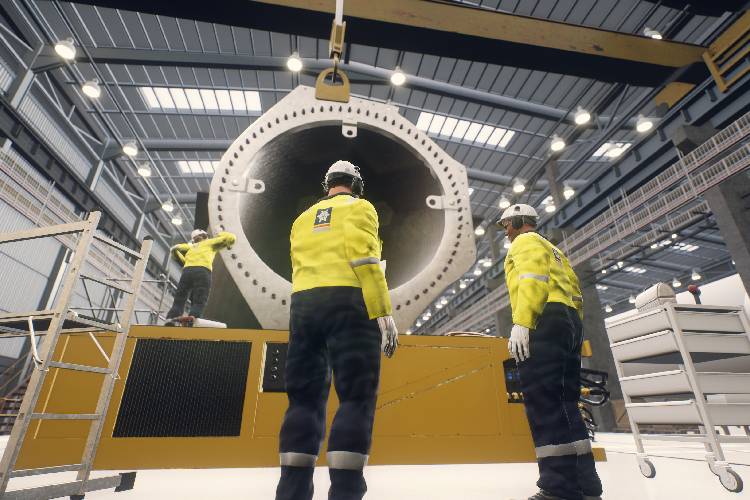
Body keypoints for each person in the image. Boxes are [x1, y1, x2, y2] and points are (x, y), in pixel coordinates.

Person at [275, 160, 398, 500]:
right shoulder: (360, 208)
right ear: (357, 185)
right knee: (355, 399)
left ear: (326, 184)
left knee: (302, 400)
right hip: (349, 304)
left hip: (303, 308)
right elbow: (366, 259)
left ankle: (291, 493)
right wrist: (383, 311)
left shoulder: (301, 220)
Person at [497, 204, 602, 500]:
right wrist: (573, 328)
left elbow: (532, 279)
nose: (506, 231)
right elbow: (576, 293)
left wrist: (523, 322)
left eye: (507, 224)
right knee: (567, 405)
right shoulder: (554, 250)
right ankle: (586, 486)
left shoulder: (524, 242)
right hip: (568, 322)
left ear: (519, 222)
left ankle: (558, 488)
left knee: (544, 404)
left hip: (543, 318)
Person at [165, 228, 236, 324]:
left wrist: (186, 262)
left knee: (179, 299)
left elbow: (174, 250)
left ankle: (171, 319)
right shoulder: (209, 243)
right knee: (199, 299)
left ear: (194, 239)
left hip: (187, 271)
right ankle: (192, 320)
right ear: (204, 236)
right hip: (202, 271)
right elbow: (231, 238)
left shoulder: (190, 247)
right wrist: (219, 233)